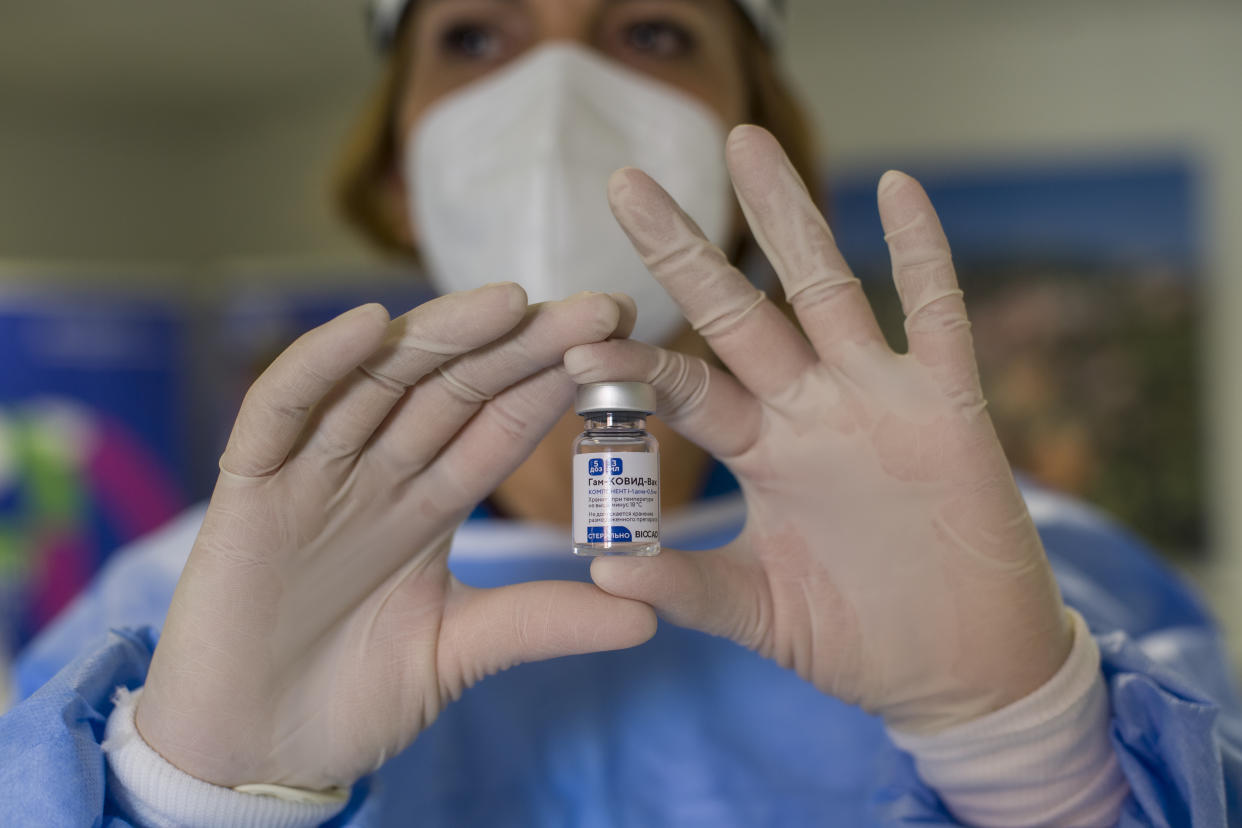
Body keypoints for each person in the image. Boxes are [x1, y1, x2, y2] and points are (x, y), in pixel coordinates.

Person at [3, 0, 1240, 825]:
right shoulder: (188, 604)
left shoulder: (1041, 573)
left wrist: (1039, 761)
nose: (553, 100)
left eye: (648, 28)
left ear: (763, 148)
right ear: (397, 173)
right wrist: (191, 798)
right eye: (477, 38)